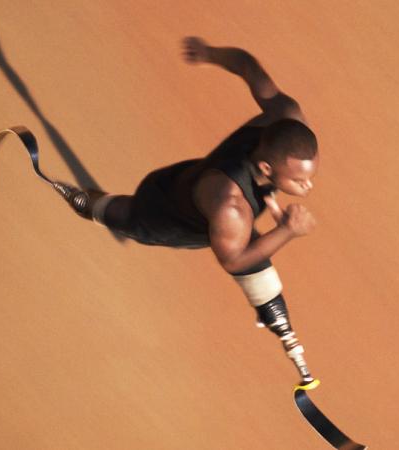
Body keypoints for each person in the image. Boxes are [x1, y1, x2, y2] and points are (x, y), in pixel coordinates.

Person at [53, 37, 320, 386]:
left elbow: (248, 65)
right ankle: (91, 203)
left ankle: (269, 310)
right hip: (166, 213)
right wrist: (287, 231)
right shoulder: (231, 208)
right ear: (267, 169)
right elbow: (235, 261)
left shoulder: (285, 115)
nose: (308, 186)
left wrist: (210, 53)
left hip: (193, 177)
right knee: (127, 217)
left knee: (251, 243)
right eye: (299, 181)